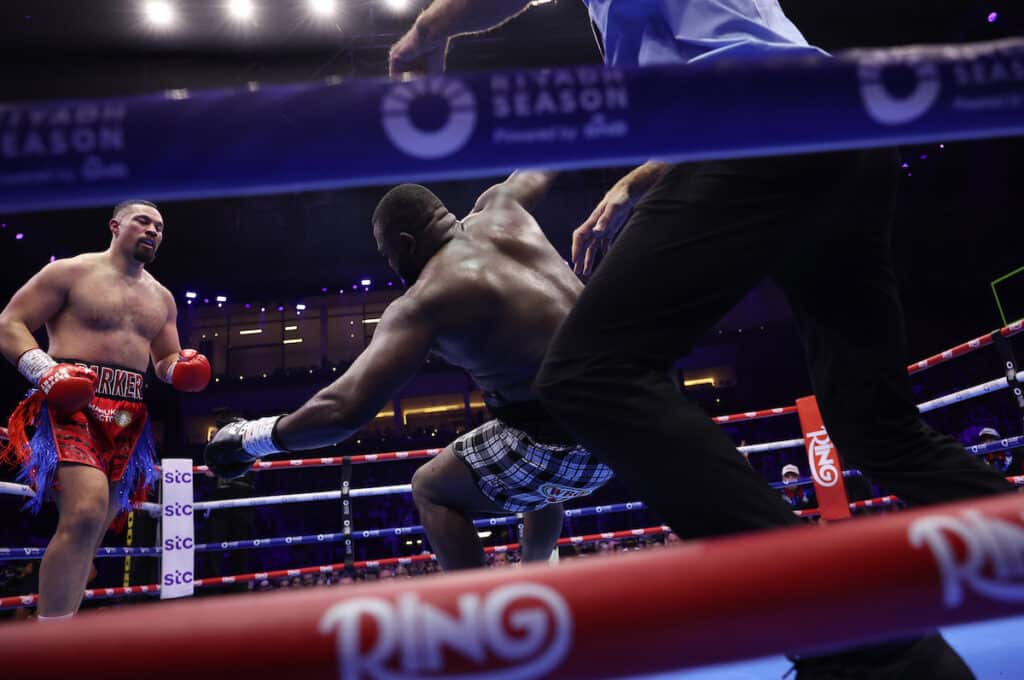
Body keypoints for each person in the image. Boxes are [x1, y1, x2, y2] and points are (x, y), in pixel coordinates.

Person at [388, 2, 1013, 676]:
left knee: (588, 372)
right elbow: (736, 59)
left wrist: (428, 30)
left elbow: (731, 81)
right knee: (877, 429)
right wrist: (635, 180)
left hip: (756, 134)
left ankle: (855, 639)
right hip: (840, 125)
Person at [204, 171, 613, 571]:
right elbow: (545, 162)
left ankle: (485, 616)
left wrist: (248, 439)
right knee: (516, 440)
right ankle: (538, 575)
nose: (391, 265)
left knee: (431, 487)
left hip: (571, 449)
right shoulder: (501, 205)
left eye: (387, 255)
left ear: (405, 243)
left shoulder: (425, 300)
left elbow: (343, 409)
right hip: (629, 417)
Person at [0, 200, 210, 620]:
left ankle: (63, 629)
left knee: (91, 530)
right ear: (115, 225)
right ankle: (50, 642)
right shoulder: (70, 272)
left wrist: (180, 368)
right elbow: (9, 323)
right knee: (85, 510)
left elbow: (165, 359)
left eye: (160, 227)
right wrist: (45, 371)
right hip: (70, 405)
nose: (153, 230)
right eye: (143, 221)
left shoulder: (161, 297)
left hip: (129, 416)